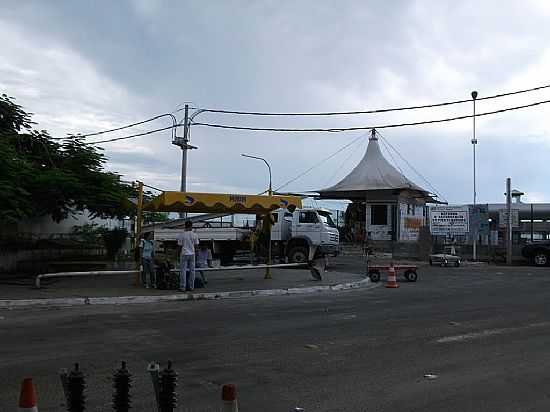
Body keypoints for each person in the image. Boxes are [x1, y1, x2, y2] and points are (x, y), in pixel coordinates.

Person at [177, 220, 199, 291]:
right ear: (191, 226)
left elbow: (180, 246)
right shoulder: (194, 234)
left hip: (184, 254)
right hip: (192, 254)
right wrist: (196, 253)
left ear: (185, 226)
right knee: (192, 271)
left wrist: (178, 253)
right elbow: (196, 246)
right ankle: (191, 287)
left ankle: (182, 287)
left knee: (183, 271)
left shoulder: (181, 235)